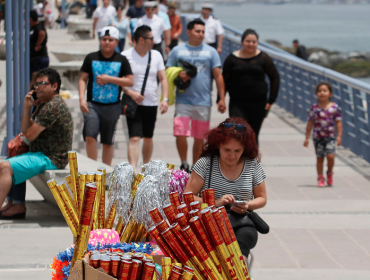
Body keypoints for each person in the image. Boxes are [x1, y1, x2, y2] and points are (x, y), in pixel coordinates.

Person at [184, 117, 267, 260]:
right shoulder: (205, 164)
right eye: (227, 150)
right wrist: (216, 202)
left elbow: (262, 198)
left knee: (243, 244)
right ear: (217, 146)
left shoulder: (252, 165)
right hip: (210, 222)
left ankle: (239, 269)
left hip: (242, 224)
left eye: (237, 151)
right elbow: (188, 197)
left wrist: (247, 205)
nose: (232, 155)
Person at [0, 68, 73, 219]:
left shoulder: (53, 106)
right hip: (41, 154)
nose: (37, 87)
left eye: (42, 84)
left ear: (54, 86)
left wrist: (28, 131)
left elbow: (30, 135)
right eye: (36, 84)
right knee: (12, 161)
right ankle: (16, 204)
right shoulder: (44, 104)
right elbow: (27, 130)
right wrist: (27, 108)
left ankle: (16, 204)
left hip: (51, 158)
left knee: (5, 167)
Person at [167, 18, 226, 172]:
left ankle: (196, 168)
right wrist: (179, 75)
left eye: (203, 32)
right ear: (188, 32)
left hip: (203, 101)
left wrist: (222, 98)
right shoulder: (178, 50)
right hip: (183, 100)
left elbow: (218, 76)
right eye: (197, 31)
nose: (200, 34)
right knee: (180, 133)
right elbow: (166, 72)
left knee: (200, 137)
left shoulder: (211, 52)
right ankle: (184, 163)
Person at [79, 26, 134, 166]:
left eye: (111, 40)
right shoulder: (91, 57)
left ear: (116, 42)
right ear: (100, 40)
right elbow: (82, 79)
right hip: (92, 104)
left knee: (107, 141)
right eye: (104, 39)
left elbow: (130, 80)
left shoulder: (122, 59)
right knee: (90, 136)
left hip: (113, 106)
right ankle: (92, 168)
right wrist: (81, 99)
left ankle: (105, 171)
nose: (107, 42)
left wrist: (109, 79)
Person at [121, 25, 169, 170]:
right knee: (134, 138)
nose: (154, 40)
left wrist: (164, 99)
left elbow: (163, 79)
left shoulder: (156, 55)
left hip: (151, 103)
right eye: (151, 38)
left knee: (148, 137)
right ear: (141, 40)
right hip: (133, 103)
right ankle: (132, 170)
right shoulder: (125, 55)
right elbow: (119, 81)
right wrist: (131, 93)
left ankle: (145, 167)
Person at [222, 29, 280, 146]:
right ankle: (239, 162)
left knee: (253, 135)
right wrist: (221, 99)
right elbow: (224, 80)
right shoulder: (232, 58)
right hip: (237, 103)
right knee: (239, 133)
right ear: (242, 42)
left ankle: (252, 163)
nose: (251, 44)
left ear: (257, 43)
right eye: (248, 41)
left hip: (259, 103)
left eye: (254, 42)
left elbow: (275, 78)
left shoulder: (263, 58)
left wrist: (271, 100)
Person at [304, 82, 342, 187]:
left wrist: (339, 136)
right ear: (317, 94)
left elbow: (338, 122)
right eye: (320, 91)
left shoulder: (335, 107)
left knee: (331, 156)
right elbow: (310, 123)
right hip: (318, 137)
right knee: (319, 157)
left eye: (325, 91)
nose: (322, 93)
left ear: (330, 93)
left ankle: (329, 172)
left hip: (330, 136)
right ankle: (320, 177)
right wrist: (307, 138)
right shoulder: (314, 108)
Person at [30, 10, 49, 80]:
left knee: (36, 79)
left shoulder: (38, 26)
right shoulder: (32, 28)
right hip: (36, 59)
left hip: (39, 58)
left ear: (30, 18)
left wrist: (37, 45)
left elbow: (42, 33)